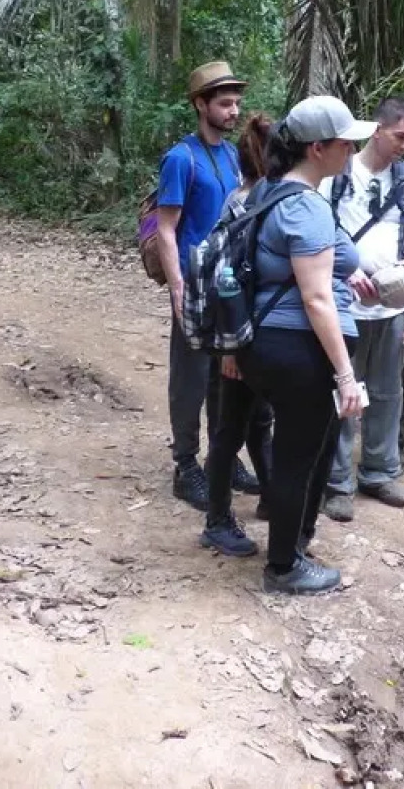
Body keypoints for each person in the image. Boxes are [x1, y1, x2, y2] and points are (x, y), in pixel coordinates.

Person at [236, 96, 374, 594]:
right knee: (299, 457)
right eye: (346, 142)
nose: (353, 148)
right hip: (298, 349)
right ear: (318, 149)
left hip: (263, 343)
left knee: (299, 450)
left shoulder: (266, 193)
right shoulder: (307, 208)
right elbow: (317, 299)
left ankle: (291, 543)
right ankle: (283, 567)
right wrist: (344, 373)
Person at [155, 62, 260, 509]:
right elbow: (166, 229)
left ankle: (225, 455)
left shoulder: (233, 155)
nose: (233, 111)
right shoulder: (181, 158)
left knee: (227, 374)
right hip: (195, 283)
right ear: (201, 105)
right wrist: (178, 289)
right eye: (224, 103)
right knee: (190, 379)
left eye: (236, 103)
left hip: (229, 282)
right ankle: (185, 464)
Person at [320, 97, 404, 522]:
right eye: (400, 137)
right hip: (344, 305)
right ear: (378, 130)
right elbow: (319, 238)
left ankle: (379, 471)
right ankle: (337, 480)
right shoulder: (337, 175)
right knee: (344, 392)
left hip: (391, 307)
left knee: (387, 392)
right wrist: (344, 277)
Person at [199, 115, 278, 557]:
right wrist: (229, 345)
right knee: (230, 428)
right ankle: (217, 519)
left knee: (259, 419)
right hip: (236, 338)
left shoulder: (268, 198)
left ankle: (270, 496)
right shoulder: (243, 203)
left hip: (259, 336)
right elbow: (225, 280)